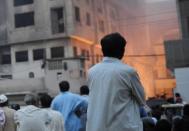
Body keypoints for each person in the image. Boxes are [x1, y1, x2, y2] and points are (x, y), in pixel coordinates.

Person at [86, 33, 146, 131]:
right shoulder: (128, 72)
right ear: (121, 51)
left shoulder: (91, 71)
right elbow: (142, 99)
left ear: (102, 50)